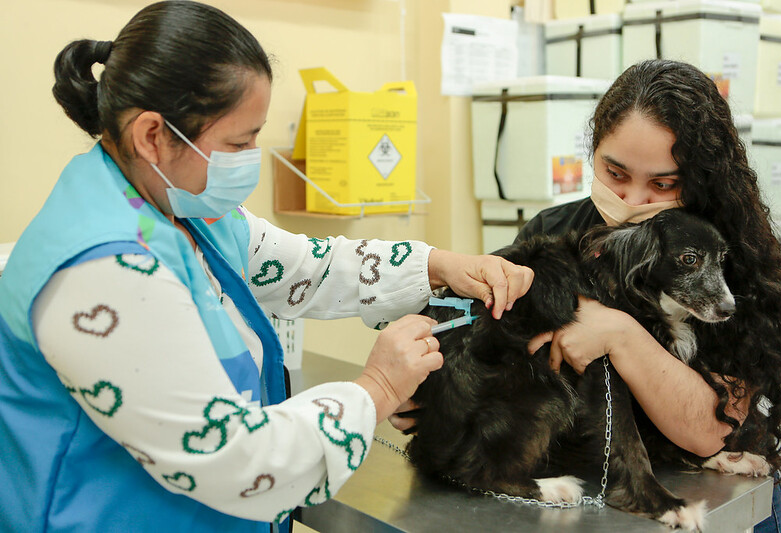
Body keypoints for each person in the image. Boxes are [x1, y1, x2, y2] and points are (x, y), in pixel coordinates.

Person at [0, 2, 534, 532]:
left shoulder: (185, 208)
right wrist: (376, 388)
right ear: (152, 135)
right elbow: (237, 459)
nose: (251, 156)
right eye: (238, 142)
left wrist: (438, 265)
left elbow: (306, 268)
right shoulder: (104, 272)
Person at [515, 59, 781, 532]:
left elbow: (710, 430)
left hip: (712, 499)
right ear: (595, 151)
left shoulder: (727, 252)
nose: (633, 201)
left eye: (663, 184)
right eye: (615, 173)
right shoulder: (551, 235)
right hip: (598, 495)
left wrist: (619, 333)